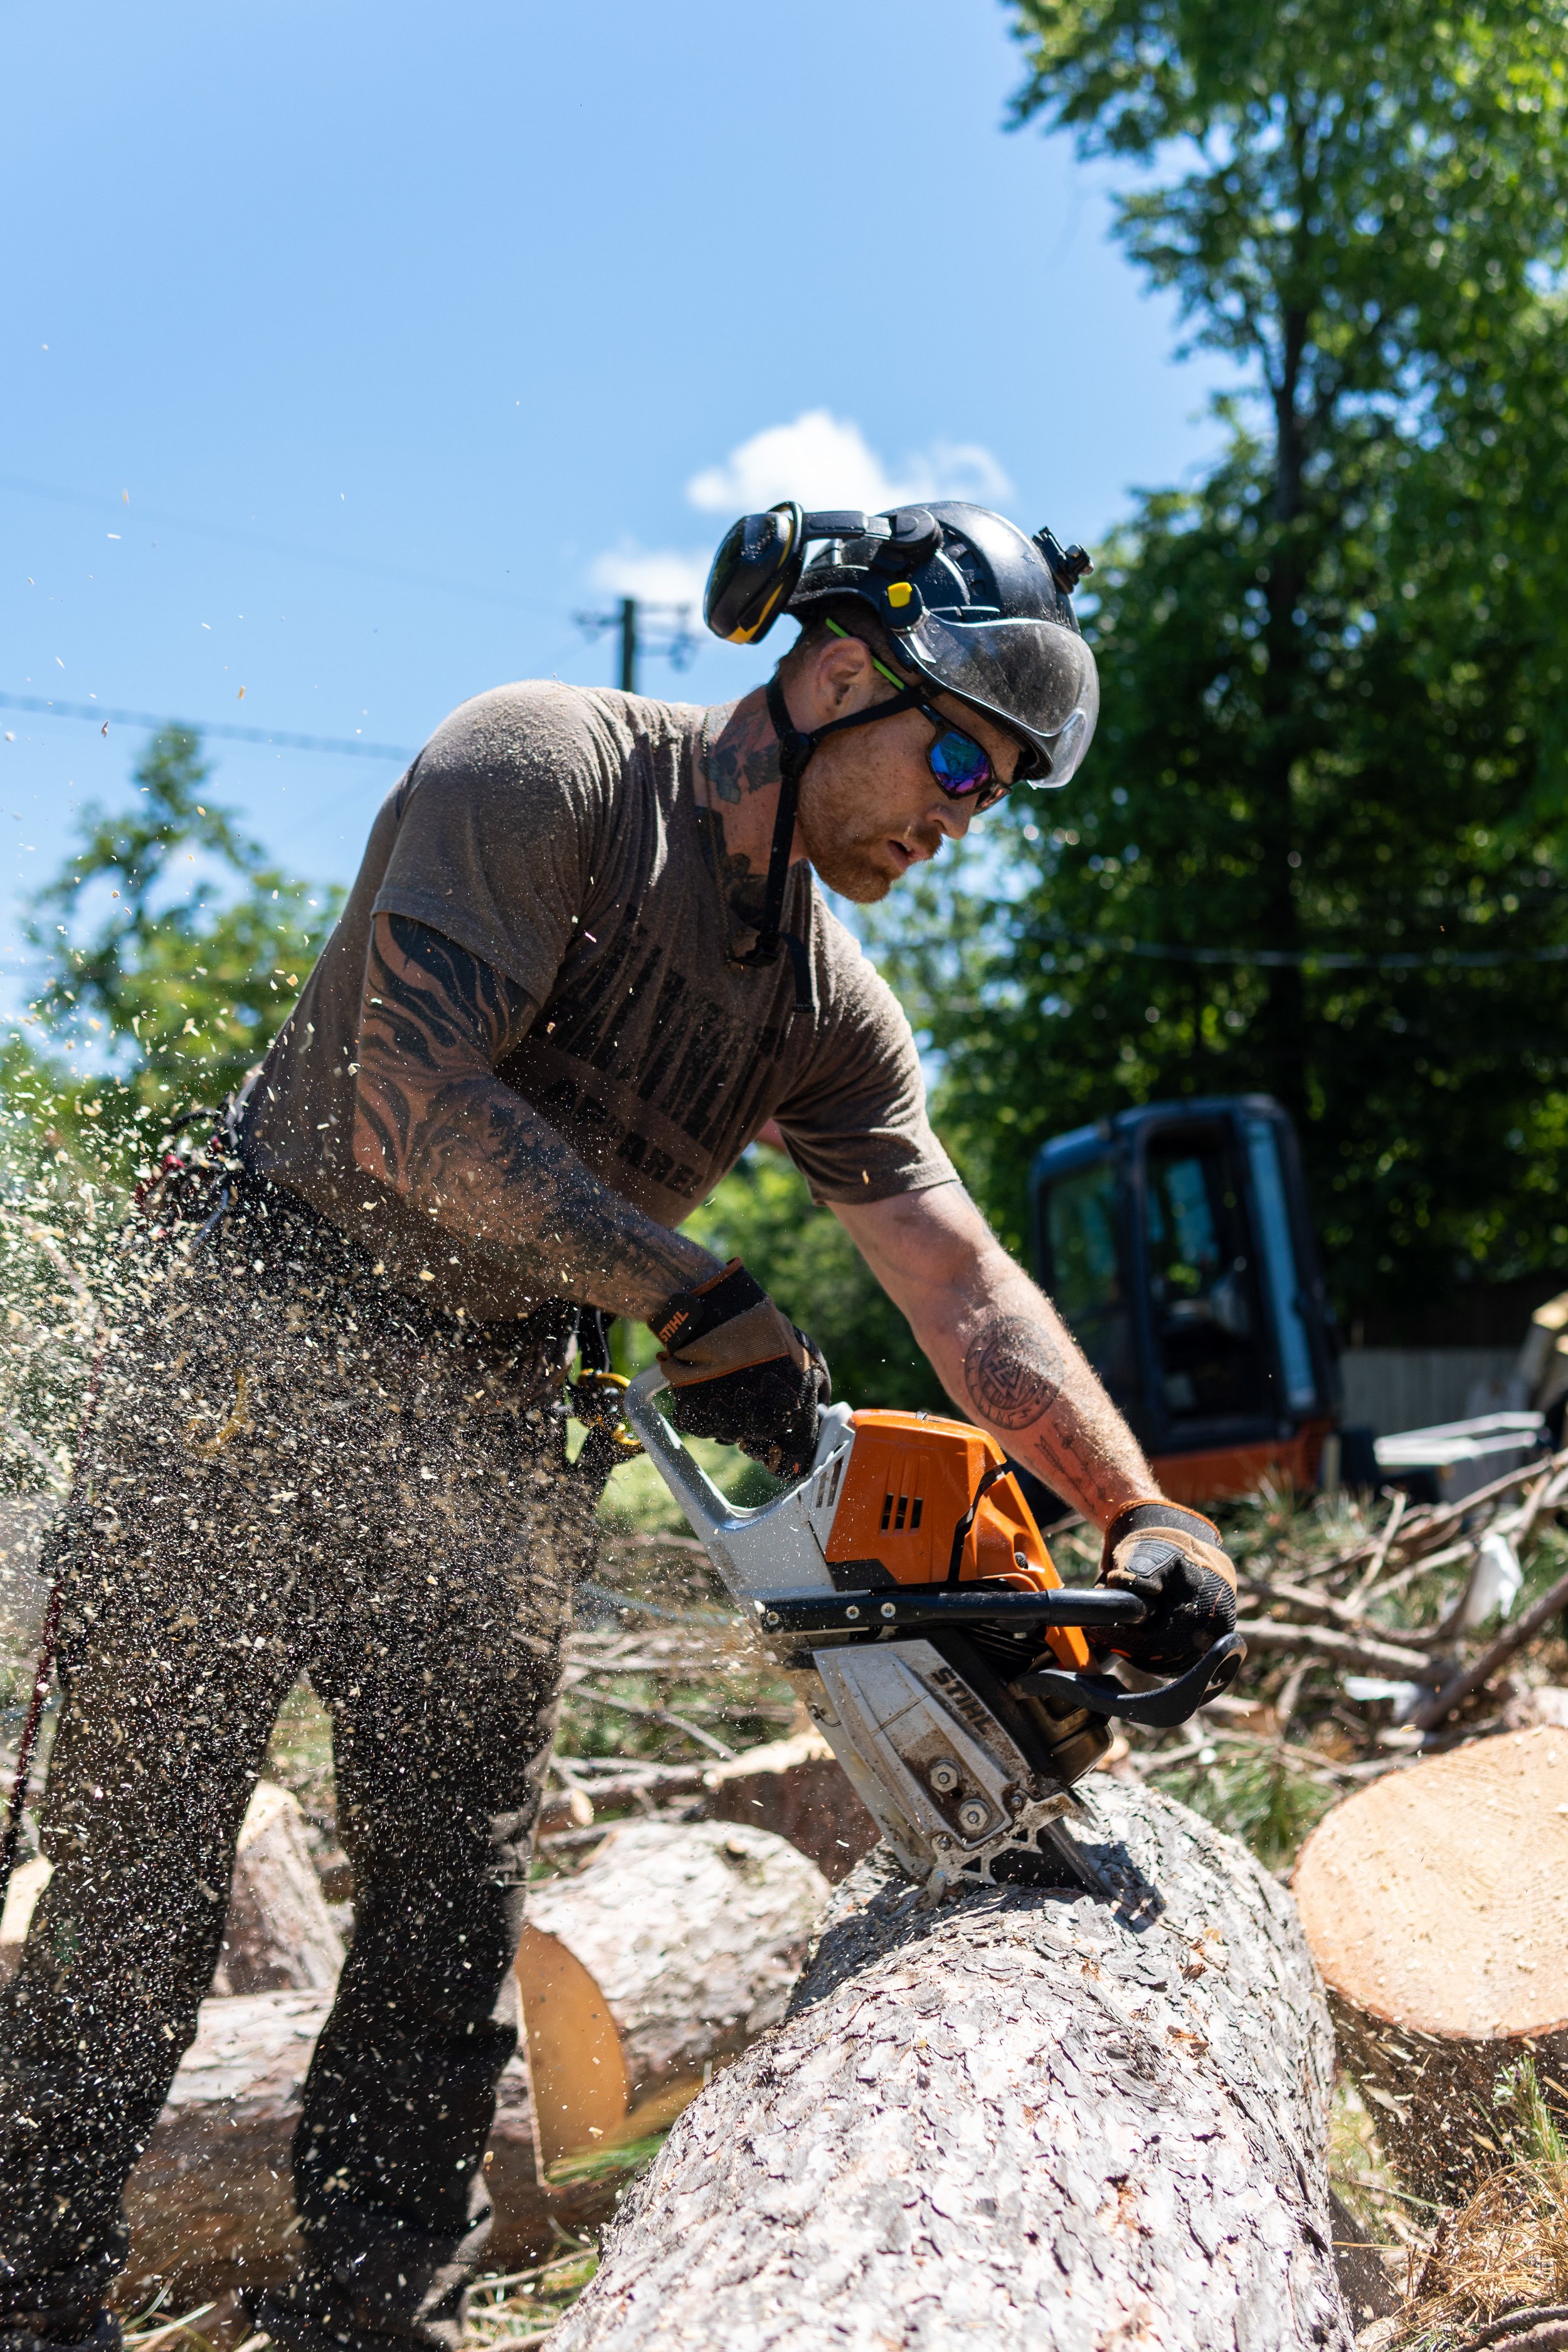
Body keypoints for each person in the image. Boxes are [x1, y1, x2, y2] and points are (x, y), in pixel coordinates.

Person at [0, 501, 1236, 2352]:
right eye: (959, 752)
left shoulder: (822, 1009)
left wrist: (1147, 1521)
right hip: (259, 1336)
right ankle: (24, 2301)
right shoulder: (550, 769)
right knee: (141, 1866)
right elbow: (402, 1101)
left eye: (998, 787)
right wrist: (685, 1287)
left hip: (502, 1403)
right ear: (834, 672)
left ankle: (364, 2316)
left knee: (442, 1903)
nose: (964, 810)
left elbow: (958, 1281)